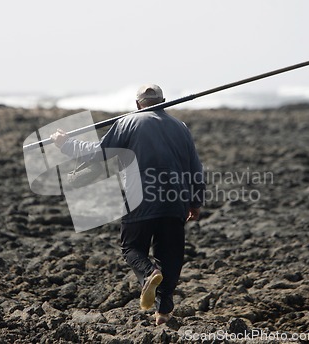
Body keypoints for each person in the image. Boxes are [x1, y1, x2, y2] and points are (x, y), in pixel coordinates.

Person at [51, 84, 205, 325]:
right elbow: (196, 168)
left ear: (137, 104)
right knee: (171, 255)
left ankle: (148, 274)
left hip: (139, 200)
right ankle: (163, 312)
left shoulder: (127, 123)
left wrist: (65, 143)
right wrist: (195, 201)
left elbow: (98, 152)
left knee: (132, 247)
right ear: (164, 101)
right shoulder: (181, 128)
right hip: (176, 201)